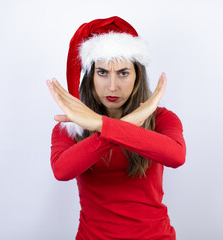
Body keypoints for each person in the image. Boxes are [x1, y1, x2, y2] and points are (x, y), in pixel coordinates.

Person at [46, 16, 186, 240]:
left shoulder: (161, 118)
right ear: (90, 76)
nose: (113, 86)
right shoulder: (72, 127)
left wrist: (101, 125)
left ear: (137, 76)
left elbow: (177, 156)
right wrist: (127, 124)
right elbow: (62, 171)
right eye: (102, 73)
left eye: (123, 73)